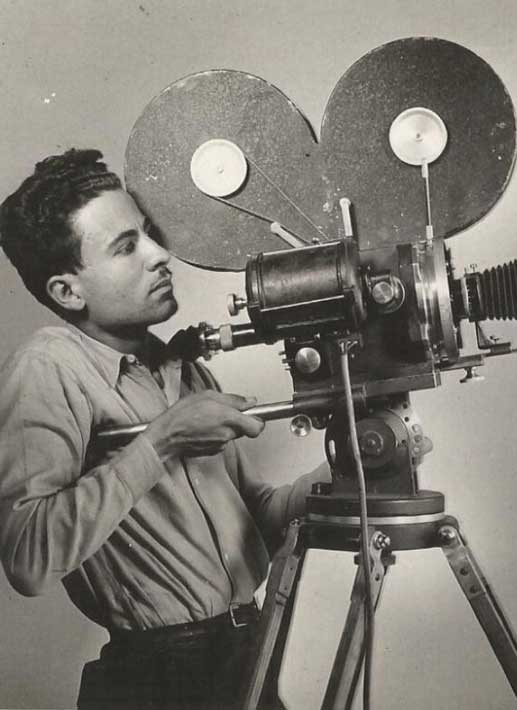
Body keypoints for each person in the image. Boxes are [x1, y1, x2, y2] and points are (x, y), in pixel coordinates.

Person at [0, 148, 328, 709]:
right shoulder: (49, 367)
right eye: (126, 247)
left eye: (149, 233)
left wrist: (342, 471)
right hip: (160, 679)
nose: (160, 255)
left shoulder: (180, 367)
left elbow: (257, 522)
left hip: (249, 653)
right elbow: (28, 558)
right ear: (68, 292)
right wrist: (163, 441)